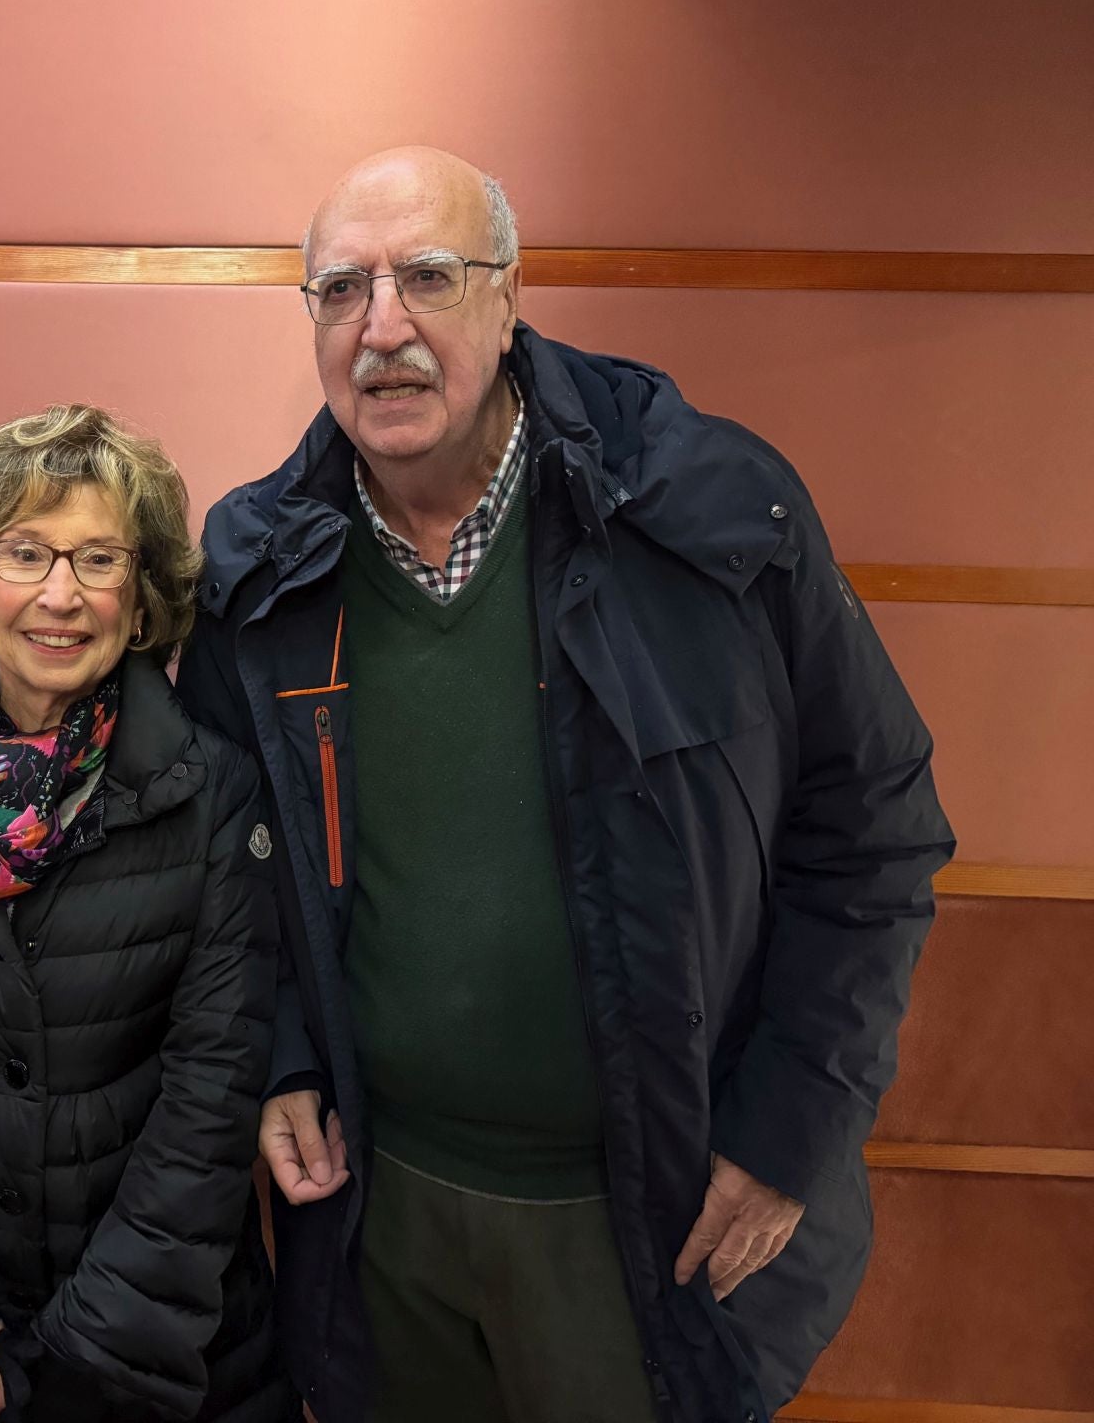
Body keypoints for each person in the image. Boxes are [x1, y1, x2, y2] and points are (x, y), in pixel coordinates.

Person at [174, 147, 955, 1423]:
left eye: (428, 276)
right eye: (339, 291)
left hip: (646, 1217)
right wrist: (278, 1058)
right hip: (385, 1224)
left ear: (508, 292)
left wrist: (791, 1128)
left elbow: (875, 830)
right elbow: (226, 864)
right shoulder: (260, 572)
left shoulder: (707, 513)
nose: (383, 328)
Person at [0, 405, 295, 1423]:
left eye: (100, 559)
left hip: (150, 1359)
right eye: (27, 552)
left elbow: (211, 1103)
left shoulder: (215, 798)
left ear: (143, 591)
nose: (61, 597)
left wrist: (86, 1356)